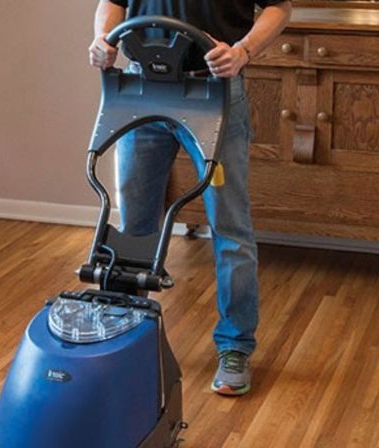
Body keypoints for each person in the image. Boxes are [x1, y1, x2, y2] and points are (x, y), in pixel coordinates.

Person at [89, 0, 292, 396]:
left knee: (230, 226)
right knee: (134, 226)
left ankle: (234, 346)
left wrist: (243, 51)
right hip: (141, 87)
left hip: (213, 92)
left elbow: (279, 8)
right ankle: (125, 337)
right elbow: (111, 2)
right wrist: (101, 38)